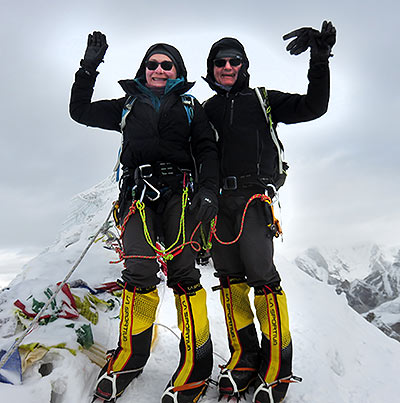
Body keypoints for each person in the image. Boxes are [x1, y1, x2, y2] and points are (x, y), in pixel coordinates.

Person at [69, 31, 219, 403]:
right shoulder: (128, 105)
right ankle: (130, 357)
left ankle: (197, 367)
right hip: (138, 195)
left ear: (177, 71)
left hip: (180, 194)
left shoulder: (190, 106)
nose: (158, 69)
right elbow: (80, 111)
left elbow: (206, 149)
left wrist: (209, 191)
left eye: (166, 65)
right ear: (144, 69)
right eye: (152, 64)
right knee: (138, 272)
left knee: (184, 273)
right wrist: (88, 68)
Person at [202, 21, 336, 403]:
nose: (227, 67)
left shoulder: (263, 100)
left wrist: (320, 59)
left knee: (263, 278)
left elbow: (315, 106)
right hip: (217, 204)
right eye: (220, 62)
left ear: (244, 66)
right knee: (229, 280)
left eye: (234, 61)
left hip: (254, 201)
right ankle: (244, 357)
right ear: (212, 68)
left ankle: (278, 364)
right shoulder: (206, 110)